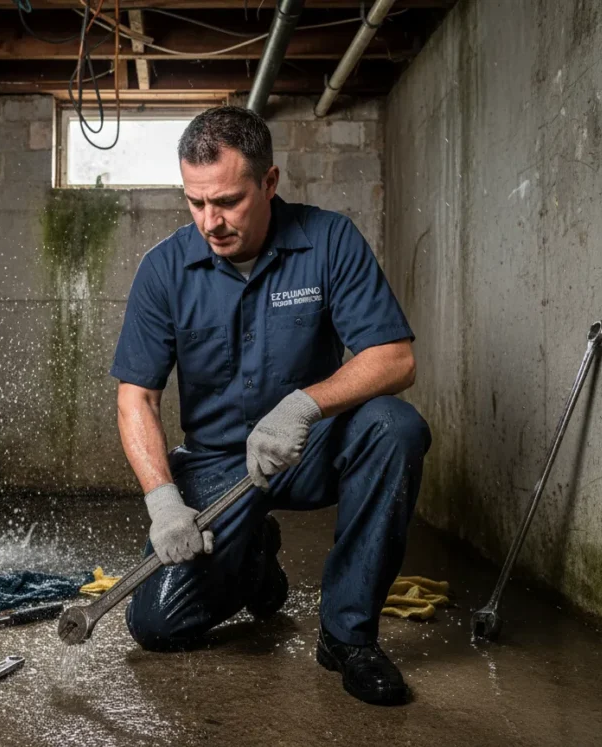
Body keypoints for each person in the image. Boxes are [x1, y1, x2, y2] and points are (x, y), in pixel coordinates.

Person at [110, 106, 431, 706]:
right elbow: (137, 397)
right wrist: (162, 501)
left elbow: (395, 358)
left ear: (270, 182)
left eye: (228, 201)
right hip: (216, 468)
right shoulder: (164, 270)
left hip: (307, 448)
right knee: (157, 626)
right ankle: (256, 559)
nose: (212, 220)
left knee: (395, 427)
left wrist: (306, 404)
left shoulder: (329, 239)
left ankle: (347, 636)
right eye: (196, 202)